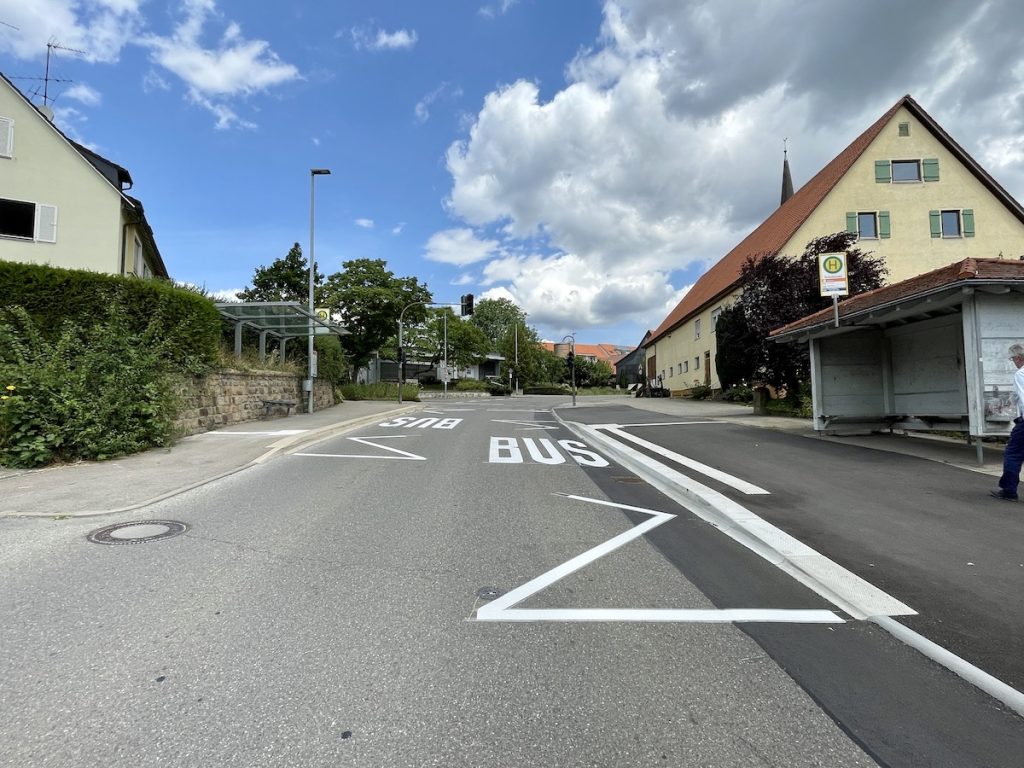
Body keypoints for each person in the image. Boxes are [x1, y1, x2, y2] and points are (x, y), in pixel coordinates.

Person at [992, 343, 1024, 501]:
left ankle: (1009, 490)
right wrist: (1005, 405)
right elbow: (1016, 397)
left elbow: (1023, 397)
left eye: (1013, 359)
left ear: (1019, 358)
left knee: (1013, 454)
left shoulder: (1021, 374)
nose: (1013, 362)